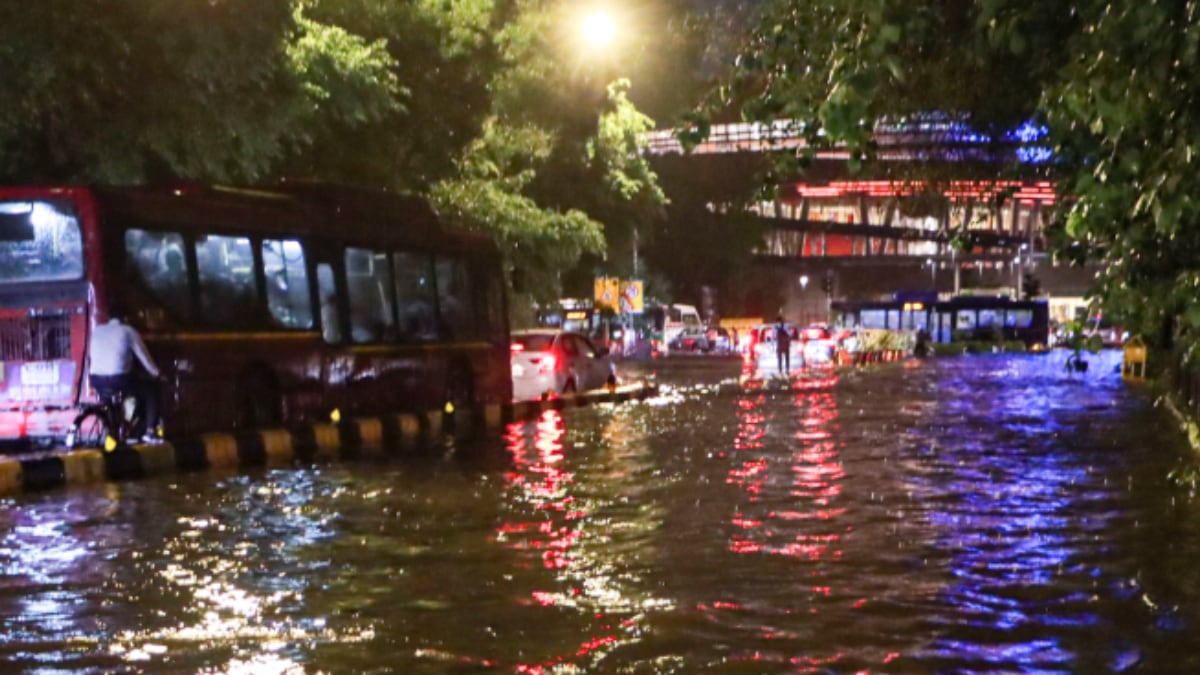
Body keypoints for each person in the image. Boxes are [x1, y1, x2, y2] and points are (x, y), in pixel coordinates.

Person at [88, 305, 164, 443]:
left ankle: (115, 430)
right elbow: (144, 357)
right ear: (126, 318)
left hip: (95, 379)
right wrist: (157, 373)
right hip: (118, 379)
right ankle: (151, 432)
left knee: (113, 399)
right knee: (150, 390)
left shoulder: (97, 330)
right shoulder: (128, 331)